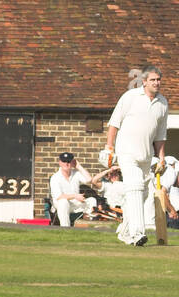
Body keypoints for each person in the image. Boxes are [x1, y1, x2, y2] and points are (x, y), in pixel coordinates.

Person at [100, 65, 169, 246]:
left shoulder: (162, 103)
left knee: (141, 194)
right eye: (152, 80)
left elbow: (161, 135)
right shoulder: (130, 97)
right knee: (135, 186)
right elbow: (114, 123)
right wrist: (109, 147)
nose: (156, 83)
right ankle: (138, 233)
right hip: (126, 151)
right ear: (144, 81)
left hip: (146, 155)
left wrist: (161, 157)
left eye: (158, 79)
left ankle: (124, 231)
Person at [49, 153, 95, 226]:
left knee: (92, 200)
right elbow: (59, 197)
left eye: (68, 161)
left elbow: (89, 179)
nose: (66, 164)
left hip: (75, 203)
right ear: (60, 162)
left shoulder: (76, 173)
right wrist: (75, 196)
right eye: (64, 161)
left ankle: (87, 224)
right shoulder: (55, 177)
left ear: (72, 162)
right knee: (63, 202)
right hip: (61, 204)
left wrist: (78, 166)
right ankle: (65, 228)